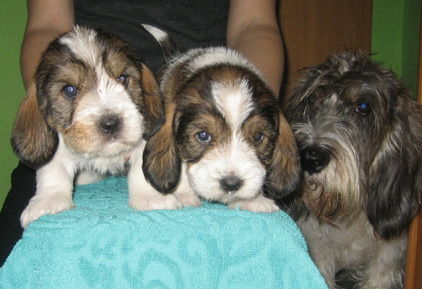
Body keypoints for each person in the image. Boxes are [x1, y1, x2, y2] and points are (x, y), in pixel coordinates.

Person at [0, 0, 285, 266]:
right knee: (20, 256)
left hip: (199, 104)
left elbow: (254, 25)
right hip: (87, 88)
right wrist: (57, 121)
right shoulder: (53, 102)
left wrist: (258, 112)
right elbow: (45, 26)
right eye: (71, 91)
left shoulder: (155, 111)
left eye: (122, 80)